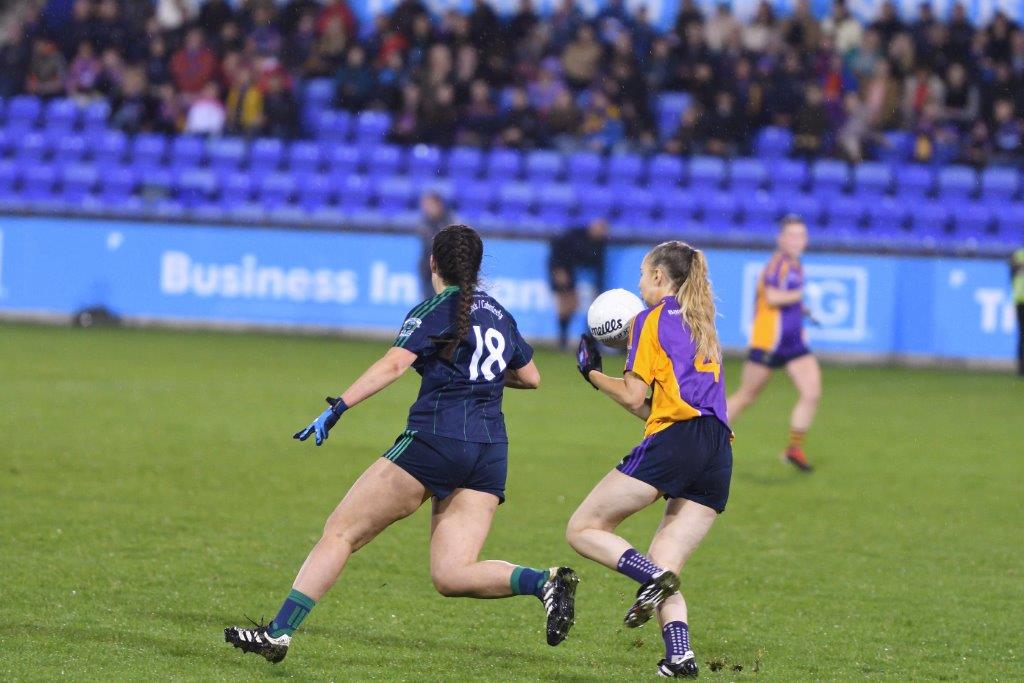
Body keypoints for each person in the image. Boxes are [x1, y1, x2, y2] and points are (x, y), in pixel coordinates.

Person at [225, 225, 578, 663]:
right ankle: (543, 582)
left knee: (340, 532)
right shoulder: (501, 314)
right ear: (477, 267)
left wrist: (338, 409)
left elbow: (394, 364)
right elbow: (531, 377)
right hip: (489, 453)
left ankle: (279, 633)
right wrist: (476, 375)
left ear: (433, 263)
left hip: (434, 443)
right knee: (451, 573)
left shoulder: (435, 308)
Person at [567, 241, 732, 679]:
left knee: (583, 529)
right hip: (717, 450)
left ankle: (650, 578)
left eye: (643, 275)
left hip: (678, 440)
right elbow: (649, 406)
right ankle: (680, 657)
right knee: (667, 561)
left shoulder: (649, 318)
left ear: (659, 277)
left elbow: (632, 394)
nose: (640, 285)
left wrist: (591, 373)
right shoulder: (701, 319)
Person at [727, 215, 821, 471]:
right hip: (769, 342)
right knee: (746, 395)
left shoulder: (795, 265)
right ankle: (707, 437)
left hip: (793, 343)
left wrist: (803, 311)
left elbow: (787, 301)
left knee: (812, 392)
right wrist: (799, 296)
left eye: (801, 235)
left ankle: (794, 449)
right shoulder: (777, 265)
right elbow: (773, 296)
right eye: (791, 235)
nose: (797, 240)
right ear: (781, 239)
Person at [548, 218, 609, 349]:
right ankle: (562, 339)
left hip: (571, 270)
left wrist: (599, 289)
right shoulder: (574, 236)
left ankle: (579, 340)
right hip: (561, 266)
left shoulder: (599, 243)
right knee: (566, 303)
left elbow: (600, 267)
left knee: (575, 305)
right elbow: (557, 249)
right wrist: (558, 269)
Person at [417, 192, 454, 298]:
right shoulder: (425, 221)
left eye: (429, 205)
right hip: (427, 268)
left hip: (443, 269)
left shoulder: (449, 222)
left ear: (438, 204)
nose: (426, 208)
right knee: (428, 300)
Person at [1012, 246, 1024, 376]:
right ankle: (1021, 368)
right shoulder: (1018, 254)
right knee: (1022, 334)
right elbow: (1012, 271)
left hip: (1019, 299)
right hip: (1020, 300)